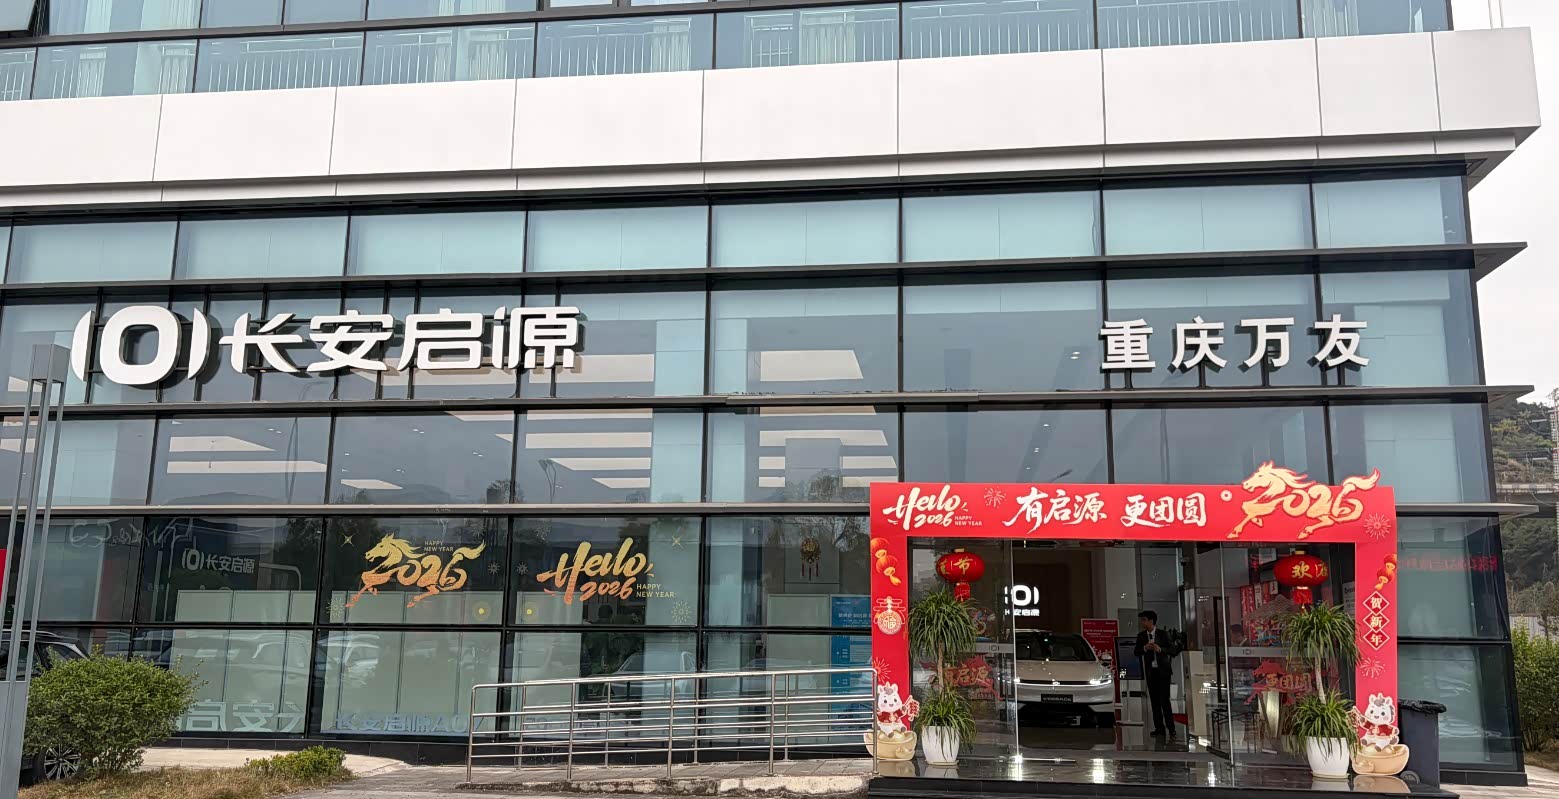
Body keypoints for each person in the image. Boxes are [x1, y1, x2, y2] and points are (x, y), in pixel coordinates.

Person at [1134, 610, 1177, 738]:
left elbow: (1173, 650)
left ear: (1151, 621)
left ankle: (1171, 728)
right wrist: (1145, 648)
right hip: (1151, 672)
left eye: (1144, 620)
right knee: (1154, 701)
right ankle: (1159, 728)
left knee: (1164, 700)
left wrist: (1160, 649)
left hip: (1163, 672)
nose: (1142, 623)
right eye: (1141, 620)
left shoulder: (1163, 634)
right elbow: (1136, 652)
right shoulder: (1141, 636)